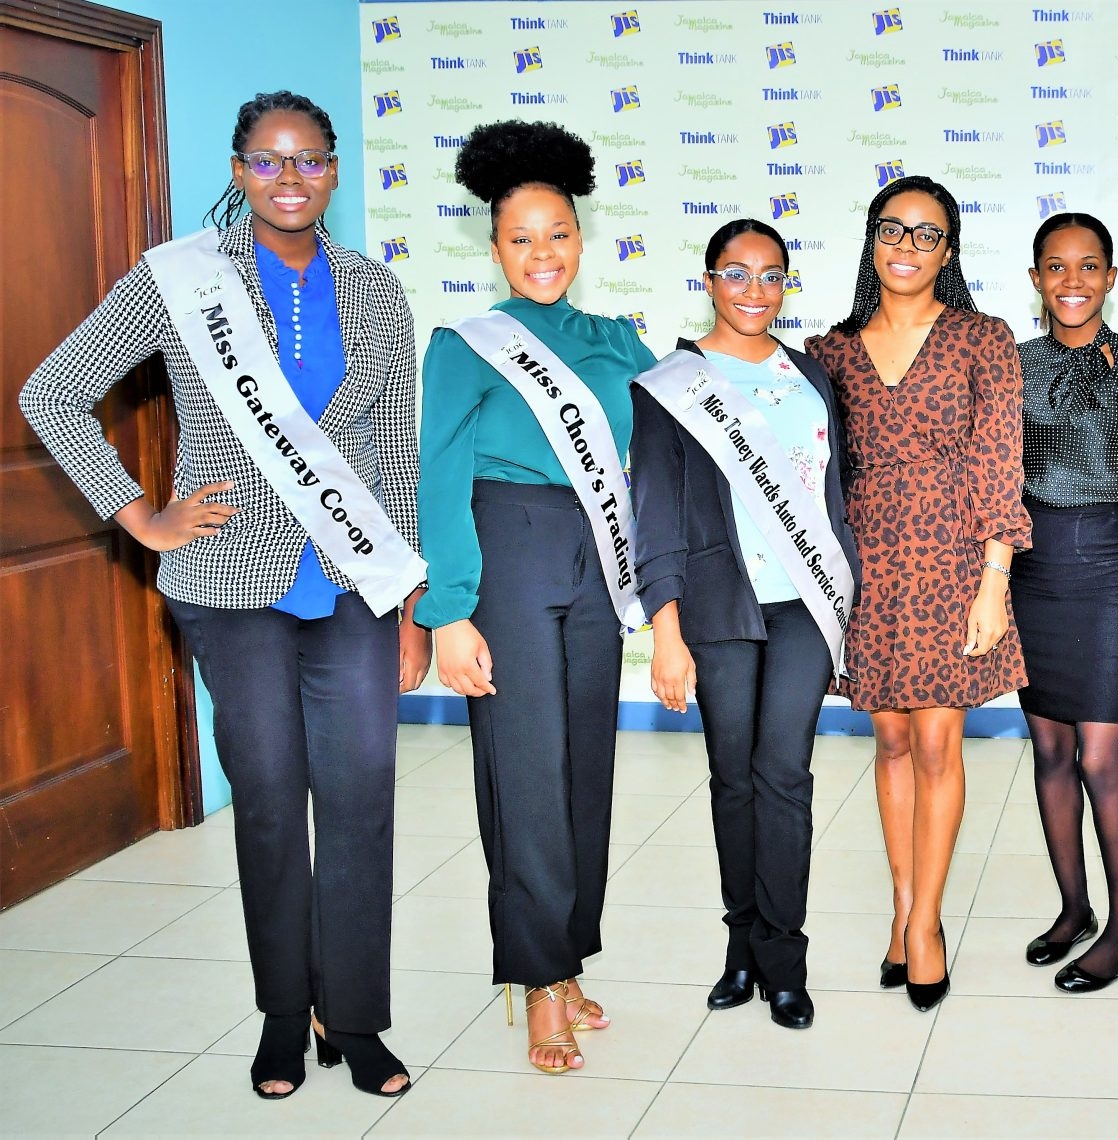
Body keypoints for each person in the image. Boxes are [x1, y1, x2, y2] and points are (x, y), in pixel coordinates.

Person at [18, 91, 423, 1098]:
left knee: (364, 800)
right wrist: (139, 516)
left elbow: (401, 455)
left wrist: (410, 601)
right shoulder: (180, 282)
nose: (291, 179)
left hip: (353, 586)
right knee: (273, 806)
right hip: (228, 587)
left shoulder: (376, 290)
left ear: (334, 169)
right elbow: (51, 393)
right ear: (239, 170)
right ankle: (286, 1017)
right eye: (268, 161)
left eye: (310, 161)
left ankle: (358, 1017)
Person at [415, 120, 656, 1074]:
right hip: (502, 555)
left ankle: (568, 957)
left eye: (557, 233)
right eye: (521, 238)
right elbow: (436, 477)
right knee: (523, 777)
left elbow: (669, 452)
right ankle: (536, 981)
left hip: (595, 563)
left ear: (581, 239)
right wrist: (451, 612)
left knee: (583, 772)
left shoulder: (617, 339)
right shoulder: (464, 345)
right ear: (494, 248)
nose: (542, 253)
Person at [805, 175, 1030, 1012]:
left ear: (950, 249)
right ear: (870, 241)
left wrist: (994, 580)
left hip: (955, 558)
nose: (907, 246)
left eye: (926, 234)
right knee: (890, 745)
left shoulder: (984, 338)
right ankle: (902, 910)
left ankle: (928, 924)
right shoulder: (829, 351)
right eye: (892, 230)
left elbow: (1000, 461)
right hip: (867, 564)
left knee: (938, 746)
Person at [628, 218, 859, 1030]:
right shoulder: (668, 384)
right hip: (719, 607)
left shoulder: (812, 378)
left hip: (804, 605)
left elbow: (833, 498)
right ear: (709, 282)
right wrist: (665, 630)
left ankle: (784, 960)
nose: (754, 290)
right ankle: (741, 947)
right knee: (733, 777)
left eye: (770, 275)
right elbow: (651, 514)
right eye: (736, 274)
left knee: (784, 775)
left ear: (785, 284)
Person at [1011, 213, 1118, 992]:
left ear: (1111, 277)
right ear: (1036, 277)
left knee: (1101, 759)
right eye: (1056, 266)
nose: (1071, 280)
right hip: (1029, 574)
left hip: (1108, 569)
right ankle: (1073, 909)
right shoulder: (1008, 363)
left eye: (1088, 267)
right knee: (1049, 753)